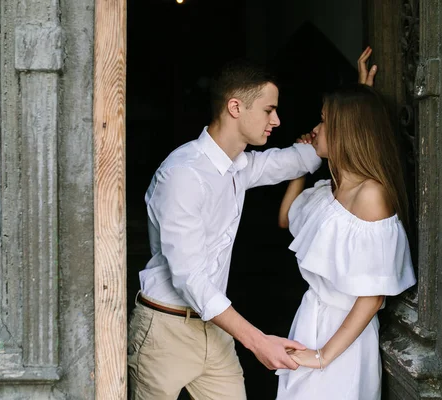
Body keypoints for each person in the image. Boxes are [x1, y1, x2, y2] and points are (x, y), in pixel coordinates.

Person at [128, 49, 378, 400]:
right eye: (268, 110)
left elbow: (297, 158)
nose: (276, 120)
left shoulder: (238, 166)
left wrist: (354, 108)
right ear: (235, 108)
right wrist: (257, 341)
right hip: (165, 329)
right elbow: (189, 277)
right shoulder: (183, 174)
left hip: (215, 330)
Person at [275, 81, 416, 398]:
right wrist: (302, 167)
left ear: (345, 131)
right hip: (310, 321)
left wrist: (322, 356)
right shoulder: (330, 189)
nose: (316, 128)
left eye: (324, 120)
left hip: (343, 341)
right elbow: (286, 219)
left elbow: (372, 297)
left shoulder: (372, 195)